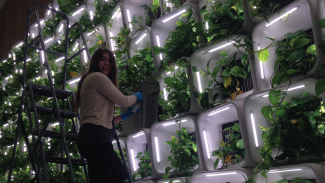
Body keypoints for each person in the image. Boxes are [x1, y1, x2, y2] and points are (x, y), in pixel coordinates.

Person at [75, 48, 143, 182]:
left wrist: (123, 117)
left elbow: (99, 116)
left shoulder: (90, 79)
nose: (107, 64)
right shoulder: (97, 77)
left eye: (110, 61)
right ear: (95, 61)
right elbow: (124, 101)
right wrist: (137, 97)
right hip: (96, 139)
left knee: (119, 174)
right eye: (103, 59)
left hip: (93, 138)